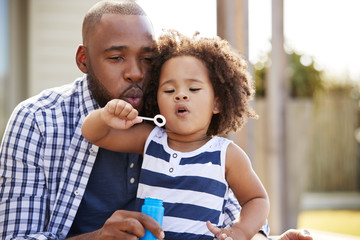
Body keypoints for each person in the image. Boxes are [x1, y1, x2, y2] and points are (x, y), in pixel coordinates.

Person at [0, 0, 312, 240]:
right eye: (115, 57)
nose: (135, 72)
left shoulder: (180, 123)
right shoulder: (38, 121)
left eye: (147, 58)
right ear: (84, 59)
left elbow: (231, 214)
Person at [81, 29, 270, 240]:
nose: (180, 95)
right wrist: (105, 116)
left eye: (194, 89)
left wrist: (240, 232)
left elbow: (257, 199)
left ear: (217, 102)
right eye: (169, 91)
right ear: (156, 100)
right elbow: (93, 134)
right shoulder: (150, 139)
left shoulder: (226, 154)